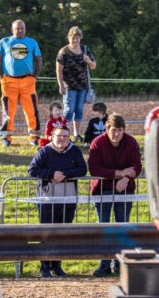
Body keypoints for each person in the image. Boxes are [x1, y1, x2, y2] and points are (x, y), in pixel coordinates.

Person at [27, 126, 87, 277]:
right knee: (46, 233)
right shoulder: (44, 151)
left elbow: (82, 169)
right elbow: (32, 170)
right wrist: (51, 174)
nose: (62, 139)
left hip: (68, 198)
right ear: (52, 137)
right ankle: (45, 265)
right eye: (59, 136)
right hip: (47, 199)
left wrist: (64, 175)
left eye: (65, 137)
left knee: (62, 233)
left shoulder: (74, 151)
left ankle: (57, 265)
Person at [88, 114, 142, 277]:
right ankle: (104, 264)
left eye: (120, 130)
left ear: (123, 130)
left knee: (122, 227)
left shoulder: (131, 142)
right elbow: (94, 169)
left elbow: (137, 166)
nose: (117, 133)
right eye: (114, 130)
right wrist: (119, 173)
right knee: (103, 227)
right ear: (107, 129)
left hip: (125, 191)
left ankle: (118, 263)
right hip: (102, 190)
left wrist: (126, 178)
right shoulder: (98, 143)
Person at [0, 19, 42, 147]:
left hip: (28, 81)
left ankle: (34, 136)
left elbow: (38, 60)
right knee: (8, 111)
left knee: (31, 109)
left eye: (22, 28)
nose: (20, 30)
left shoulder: (32, 42)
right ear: (12, 30)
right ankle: (6, 137)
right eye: (17, 28)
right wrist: (1, 78)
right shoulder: (4, 42)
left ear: (25, 29)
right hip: (9, 81)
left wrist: (34, 77)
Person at [56, 26, 96, 144]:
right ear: (69, 38)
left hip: (83, 86)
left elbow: (94, 66)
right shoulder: (63, 51)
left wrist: (88, 60)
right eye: (73, 38)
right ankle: (64, 135)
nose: (75, 40)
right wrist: (61, 85)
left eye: (77, 38)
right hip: (69, 86)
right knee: (69, 110)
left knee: (79, 110)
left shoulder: (85, 49)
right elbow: (59, 70)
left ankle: (76, 135)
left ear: (80, 38)